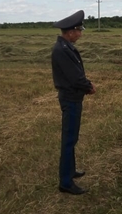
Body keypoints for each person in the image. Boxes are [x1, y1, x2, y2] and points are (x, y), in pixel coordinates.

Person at [51, 10, 96, 195]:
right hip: (70, 99)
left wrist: (85, 85)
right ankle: (65, 182)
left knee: (72, 138)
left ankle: (70, 171)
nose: (80, 33)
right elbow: (75, 78)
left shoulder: (66, 47)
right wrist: (89, 86)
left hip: (73, 97)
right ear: (70, 32)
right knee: (69, 140)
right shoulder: (62, 50)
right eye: (79, 30)